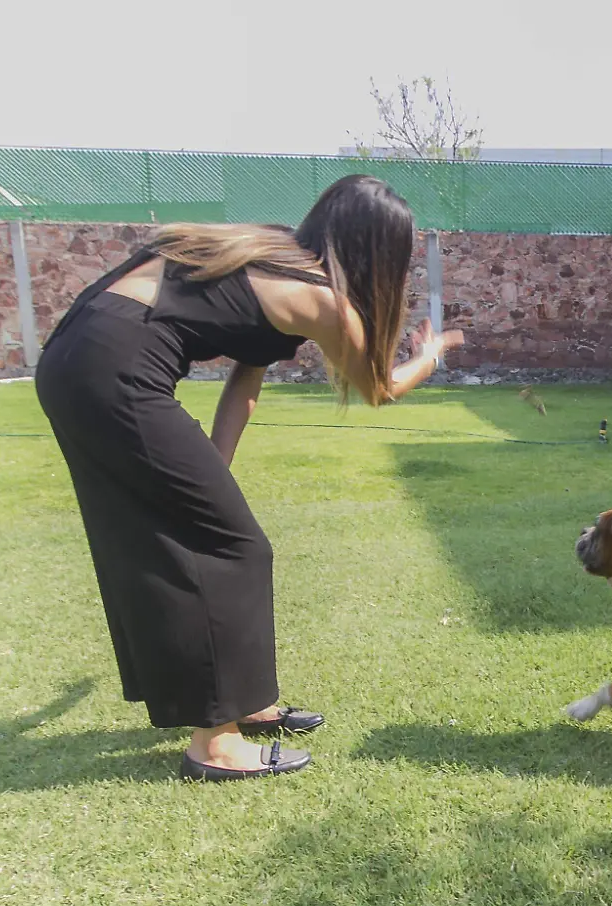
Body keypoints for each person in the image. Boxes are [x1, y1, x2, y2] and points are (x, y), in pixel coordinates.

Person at [34, 175, 462, 782]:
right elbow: (380, 389)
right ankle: (214, 742)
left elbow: (244, 383)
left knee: (214, 536)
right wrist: (431, 353)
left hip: (81, 354)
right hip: (114, 370)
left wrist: (212, 468)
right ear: (378, 254)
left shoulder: (271, 254)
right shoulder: (322, 301)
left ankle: (247, 704)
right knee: (234, 547)